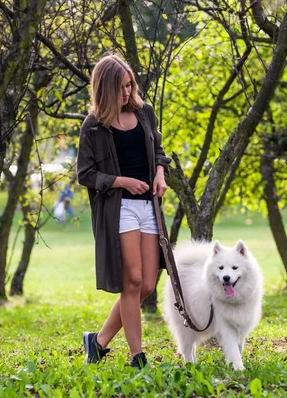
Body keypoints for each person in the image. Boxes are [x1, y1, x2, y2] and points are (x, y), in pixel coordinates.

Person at [76, 54, 171, 369]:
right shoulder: (93, 125)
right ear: (105, 88)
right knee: (132, 280)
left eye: (130, 84)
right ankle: (137, 356)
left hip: (149, 207)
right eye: (121, 87)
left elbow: (158, 149)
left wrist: (159, 173)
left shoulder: (145, 114)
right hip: (120, 209)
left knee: (146, 285)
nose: (128, 91)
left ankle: (99, 341)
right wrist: (121, 182)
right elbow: (85, 174)